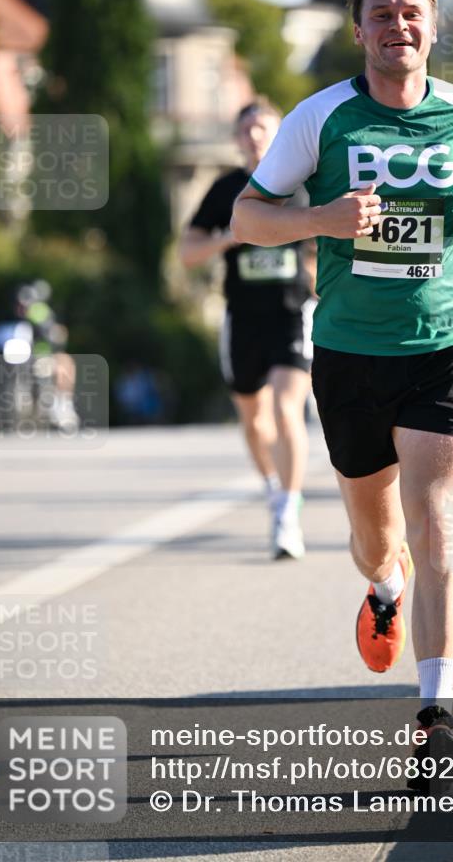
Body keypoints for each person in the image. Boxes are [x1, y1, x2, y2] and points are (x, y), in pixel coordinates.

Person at [232, 0, 453, 758]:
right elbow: (247, 217)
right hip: (350, 355)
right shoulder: (320, 117)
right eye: (381, 14)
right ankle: (383, 586)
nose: (397, 25)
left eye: (410, 13)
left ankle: (434, 717)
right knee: (377, 541)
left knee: (436, 528)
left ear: (431, 27)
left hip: (444, 348)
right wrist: (318, 218)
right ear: (359, 30)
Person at [180, 100, 315, 560]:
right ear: (237, 139)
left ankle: (289, 512)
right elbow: (187, 252)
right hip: (242, 318)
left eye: (262, 127)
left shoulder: (302, 184)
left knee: (285, 408)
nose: (254, 136)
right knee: (254, 421)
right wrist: (229, 237)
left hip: (291, 313)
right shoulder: (226, 190)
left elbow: (327, 240)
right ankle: (273, 487)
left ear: (279, 133)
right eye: (246, 129)